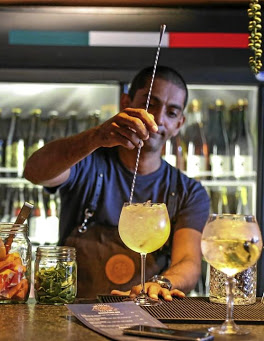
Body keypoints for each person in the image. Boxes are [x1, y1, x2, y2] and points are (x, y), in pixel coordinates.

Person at [23, 66, 210, 301]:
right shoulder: (88, 165)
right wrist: (96, 137)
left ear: (179, 124)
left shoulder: (188, 192)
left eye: (171, 113)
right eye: (149, 104)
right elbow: (34, 171)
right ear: (126, 102)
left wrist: (161, 283)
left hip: (146, 316)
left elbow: (189, 262)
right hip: (74, 314)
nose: (158, 118)